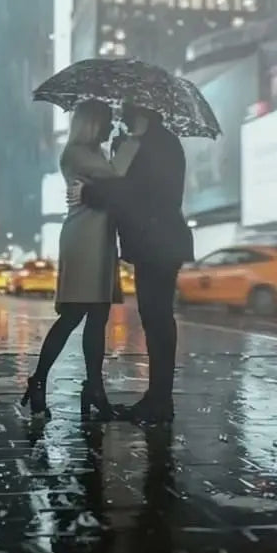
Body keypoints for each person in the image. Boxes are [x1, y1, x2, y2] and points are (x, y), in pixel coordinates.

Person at [68, 102, 193, 424]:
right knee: (155, 322)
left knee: (159, 322)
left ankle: (160, 403)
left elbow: (134, 192)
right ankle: (156, 399)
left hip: (160, 243)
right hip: (152, 242)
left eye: (124, 113)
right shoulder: (151, 143)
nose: (120, 119)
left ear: (142, 113)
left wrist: (89, 193)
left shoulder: (158, 144)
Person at [22, 99, 124, 420]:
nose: (110, 127)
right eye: (107, 121)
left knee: (98, 318)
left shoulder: (96, 154)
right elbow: (119, 181)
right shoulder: (77, 154)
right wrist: (124, 149)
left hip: (102, 241)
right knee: (73, 316)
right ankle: (38, 380)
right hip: (84, 241)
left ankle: (94, 387)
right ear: (92, 123)